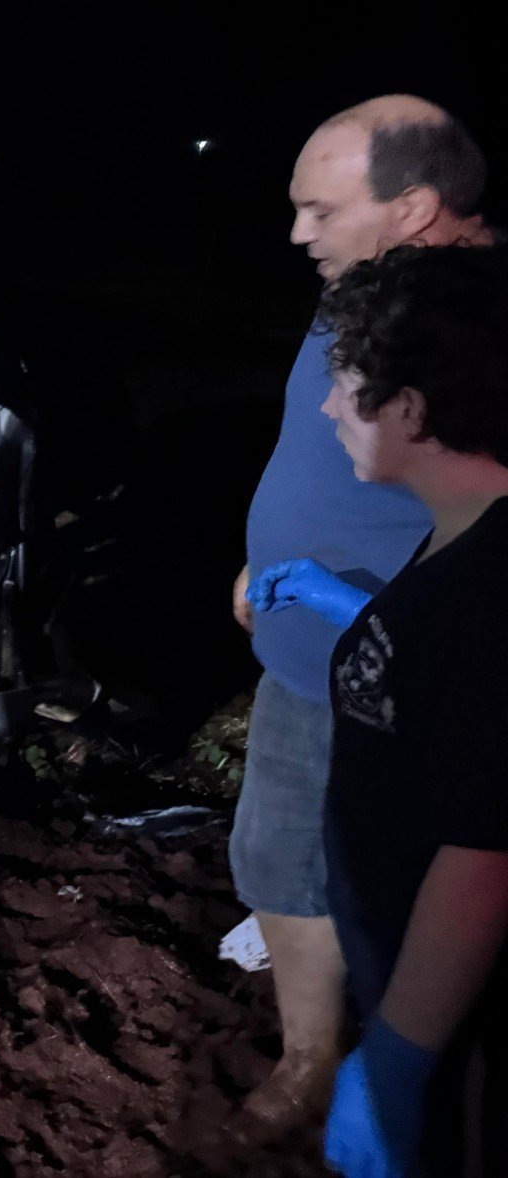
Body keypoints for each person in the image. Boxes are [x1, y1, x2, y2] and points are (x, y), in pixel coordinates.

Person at [229, 96, 492, 1135]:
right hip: (304, 655)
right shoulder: (359, 286)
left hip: (417, 684)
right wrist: (265, 557)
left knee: (434, 896)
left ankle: (404, 1076)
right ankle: (308, 1059)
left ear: (415, 205)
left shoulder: (484, 330)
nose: (298, 234)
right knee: (278, 856)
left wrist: (412, 618)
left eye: (318, 210)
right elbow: (314, 438)